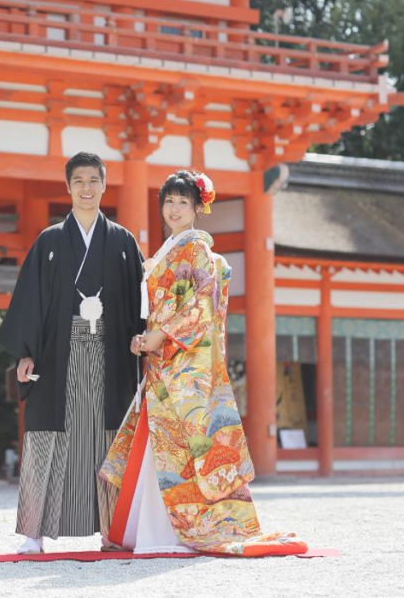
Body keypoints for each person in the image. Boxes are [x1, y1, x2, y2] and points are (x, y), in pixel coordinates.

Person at [99, 170, 307, 556]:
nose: (174, 209)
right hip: (162, 361)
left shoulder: (196, 250)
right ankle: (149, 530)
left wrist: (160, 336)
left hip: (184, 366)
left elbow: (201, 303)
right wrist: (143, 336)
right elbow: (152, 307)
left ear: (198, 208)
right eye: (169, 202)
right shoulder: (168, 250)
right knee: (162, 443)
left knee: (185, 442)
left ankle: (180, 529)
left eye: (183, 202)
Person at [0, 151, 145, 554]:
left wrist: (141, 337)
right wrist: (26, 353)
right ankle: (33, 532)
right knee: (47, 435)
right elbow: (31, 301)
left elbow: (139, 303)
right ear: (68, 187)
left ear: (103, 184)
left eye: (93, 180)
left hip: (110, 352)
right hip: (56, 355)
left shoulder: (122, 241)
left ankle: (111, 531)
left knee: (108, 437)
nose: (86, 188)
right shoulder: (49, 241)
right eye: (78, 180)